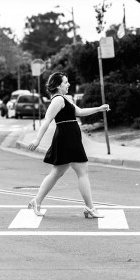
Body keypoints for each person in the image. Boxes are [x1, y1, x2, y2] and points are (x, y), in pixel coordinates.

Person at [25, 72, 110, 218]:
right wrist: (37, 139)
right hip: (67, 138)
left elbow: (80, 112)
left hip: (70, 137)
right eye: (65, 82)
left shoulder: (65, 99)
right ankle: (90, 208)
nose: (68, 84)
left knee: (57, 173)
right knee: (82, 172)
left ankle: (36, 200)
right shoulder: (57, 100)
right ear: (58, 86)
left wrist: (99, 108)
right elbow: (47, 120)